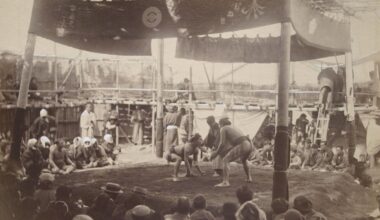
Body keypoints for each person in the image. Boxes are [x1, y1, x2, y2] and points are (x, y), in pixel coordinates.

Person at [210, 117, 253, 187]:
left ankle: (225, 182)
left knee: (225, 160)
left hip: (242, 144)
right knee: (244, 160)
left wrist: (216, 153)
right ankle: (249, 178)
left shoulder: (223, 129)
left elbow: (222, 143)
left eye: (219, 125)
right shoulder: (234, 127)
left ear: (221, 124)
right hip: (249, 144)